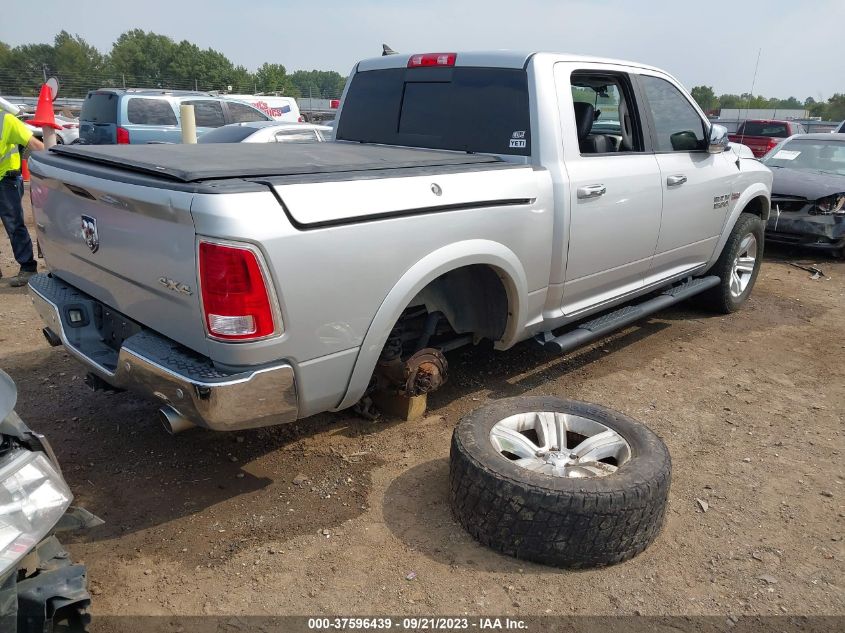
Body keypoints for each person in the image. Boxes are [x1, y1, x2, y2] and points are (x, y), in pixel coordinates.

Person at [1, 111, 44, 287]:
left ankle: (27, 268)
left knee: (14, 224)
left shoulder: (5, 120)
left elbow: (35, 144)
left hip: (5, 180)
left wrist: (54, 164)